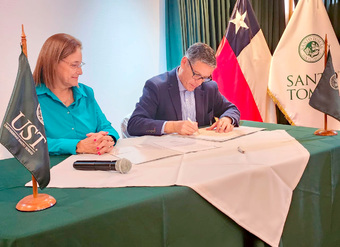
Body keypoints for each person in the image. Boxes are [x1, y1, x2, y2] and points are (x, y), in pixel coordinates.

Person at [127, 42, 240, 136]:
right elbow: (134, 124)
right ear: (184, 62)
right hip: (167, 153)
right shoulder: (156, 86)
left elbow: (232, 109)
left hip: (201, 150)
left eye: (205, 77)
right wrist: (172, 126)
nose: (199, 82)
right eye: (196, 75)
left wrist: (227, 119)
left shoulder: (209, 87)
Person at [33, 33, 119, 155]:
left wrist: (107, 139)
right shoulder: (31, 97)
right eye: (74, 65)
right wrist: (78, 146)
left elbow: (107, 127)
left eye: (80, 65)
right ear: (53, 63)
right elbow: (28, 144)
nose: (80, 72)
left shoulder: (87, 93)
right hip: (53, 171)